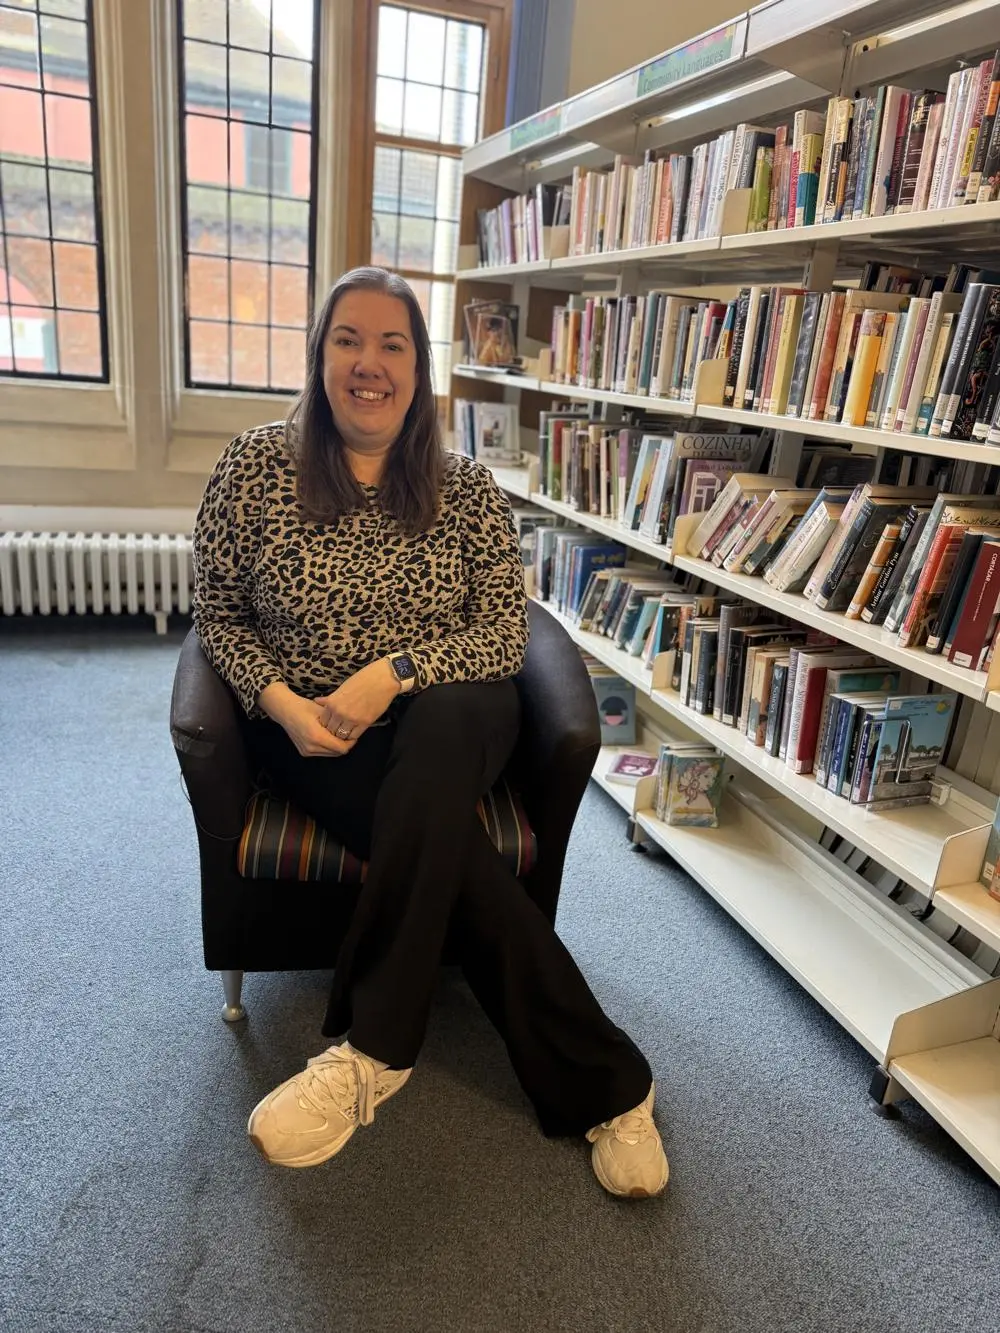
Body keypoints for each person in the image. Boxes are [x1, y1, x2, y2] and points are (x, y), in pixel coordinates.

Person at [191, 265, 668, 1199]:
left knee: (445, 725)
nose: (369, 364)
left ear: (420, 370)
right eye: (348, 340)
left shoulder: (466, 487)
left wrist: (394, 672)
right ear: (320, 356)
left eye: (393, 344)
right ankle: (616, 1086)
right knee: (460, 858)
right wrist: (283, 705)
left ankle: (372, 1051)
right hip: (320, 734)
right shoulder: (254, 466)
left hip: (456, 707)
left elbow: (501, 627)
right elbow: (217, 613)